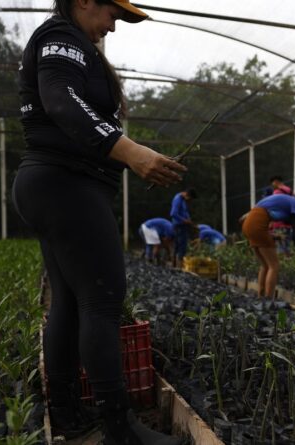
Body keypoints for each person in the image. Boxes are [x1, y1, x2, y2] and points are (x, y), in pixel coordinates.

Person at [12, 1, 187, 444]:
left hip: (53, 186)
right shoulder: (60, 37)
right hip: (65, 186)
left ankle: (69, 417)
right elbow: (60, 100)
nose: (113, 24)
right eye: (112, 12)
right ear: (84, 0)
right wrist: (134, 153)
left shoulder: (71, 41)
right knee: (103, 302)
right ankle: (119, 428)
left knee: (71, 305)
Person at [240, 193, 295, 299]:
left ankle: (260, 296)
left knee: (265, 265)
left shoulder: (288, 201)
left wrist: (274, 236)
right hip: (257, 222)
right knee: (274, 266)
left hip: (248, 223)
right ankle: (268, 299)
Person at [170, 188, 197, 266]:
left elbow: (184, 212)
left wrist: (189, 220)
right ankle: (179, 265)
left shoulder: (182, 200)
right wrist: (185, 221)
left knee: (179, 245)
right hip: (179, 225)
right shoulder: (178, 199)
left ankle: (176, 265)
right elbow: (173, 214)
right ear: (187, 194)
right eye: (190, 199)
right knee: (181, 246)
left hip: (182, 225)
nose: (189, 201)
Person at [268, 175, 294, 253]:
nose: (273, 184)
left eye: (274, 182)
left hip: (282, 225)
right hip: (281, 225)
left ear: (277, 182)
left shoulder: (279, 191)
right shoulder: (284, 191)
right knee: (284, 247)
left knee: (282, 249)